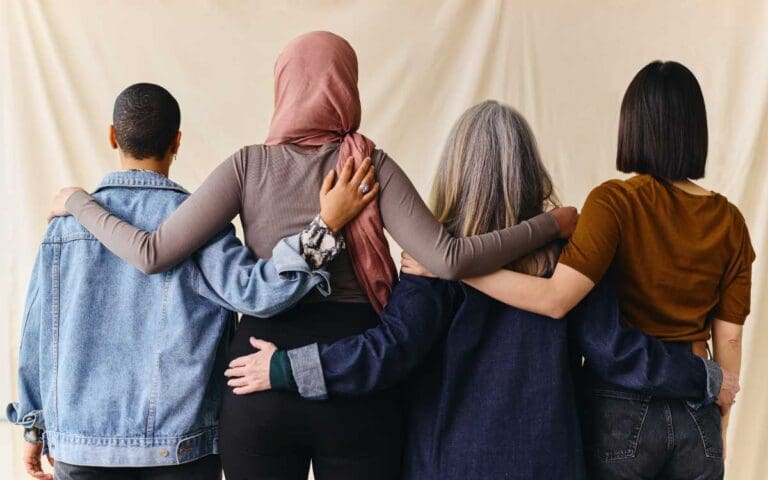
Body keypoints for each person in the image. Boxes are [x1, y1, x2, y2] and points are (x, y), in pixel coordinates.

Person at [47, 33, 579, 479]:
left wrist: (78, 202)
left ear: (282, 87)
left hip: (255, 379)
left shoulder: (247, 166)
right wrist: (548, 225)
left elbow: (151, 251)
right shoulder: (367, 164)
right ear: (348, 88)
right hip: (357, 384)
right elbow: (447, 258)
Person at [227, 100, 728, 479]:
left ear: (457, 168)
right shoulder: (568, 257)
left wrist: (286, 367)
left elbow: (386, 354)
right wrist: (704, 377)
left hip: (447, 464)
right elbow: (614, 351)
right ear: (532, 169)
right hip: (549, 462)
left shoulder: (428, 265)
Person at [9, 83, 372, 480]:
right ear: (177, 142)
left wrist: (34, 422)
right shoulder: (200, 224)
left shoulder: (65, 227)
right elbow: (257, 293)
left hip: (82, 446)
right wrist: (325, 228)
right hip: (180, 449)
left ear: (112, 136)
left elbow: (37, 333)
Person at [407, 62, 753, 479]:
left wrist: (452, 263)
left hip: (622, 409)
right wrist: (719, 407)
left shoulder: (613, 203)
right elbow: (729, 336)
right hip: (695, 403)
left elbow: (557, 299)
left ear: (632, 126)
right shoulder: (730, 220)